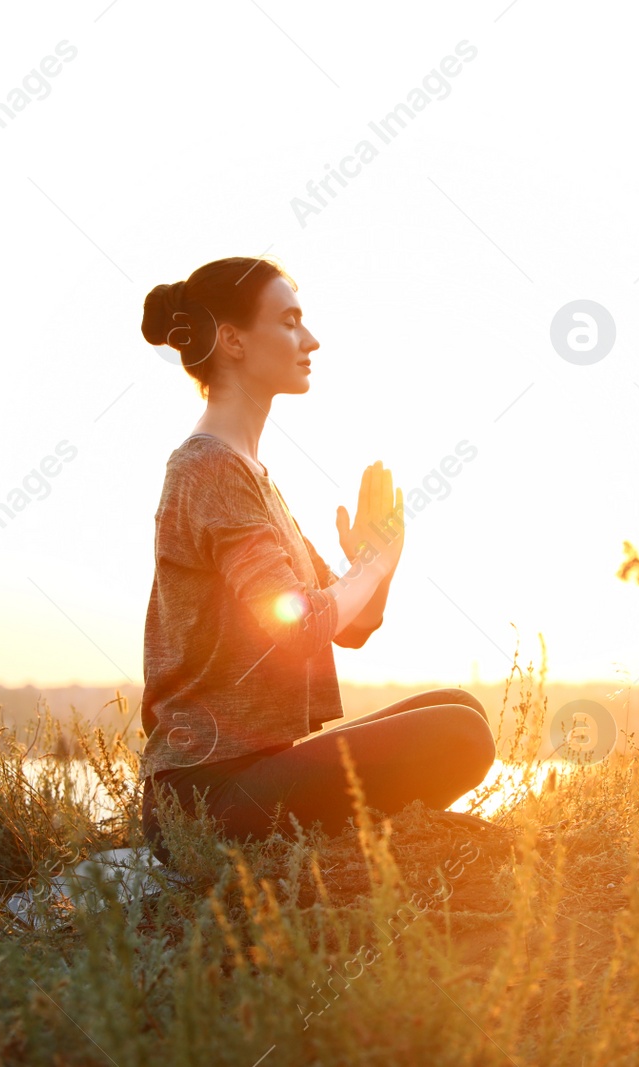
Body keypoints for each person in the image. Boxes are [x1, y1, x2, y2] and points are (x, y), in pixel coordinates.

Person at [136, 255, 497, 864]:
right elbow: (301, 625)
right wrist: (371, 568)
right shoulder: (207, 469)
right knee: (464, 736)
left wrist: (377, 564)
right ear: (232, 341)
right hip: (204, 796)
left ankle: (359, 840)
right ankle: (362, 848)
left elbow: (353, 626)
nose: (311, 339)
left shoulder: (252, 476)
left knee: (461, 708)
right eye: (290, 321)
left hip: (259, 769)